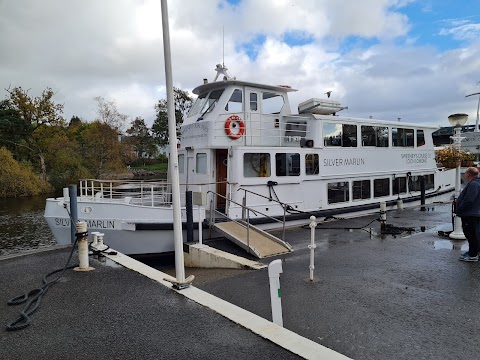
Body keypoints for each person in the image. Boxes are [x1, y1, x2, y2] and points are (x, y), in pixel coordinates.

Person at [455, 167, 480, 262]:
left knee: (471, 234)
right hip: (474, 213)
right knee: (474, 234)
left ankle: (473, 255)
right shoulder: (476, 183)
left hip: (470, 214)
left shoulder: (473, 184)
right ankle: (473, 252)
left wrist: (459, 208)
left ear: (469, 174)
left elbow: (469, 200)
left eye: (465, 172)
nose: (464, 174)